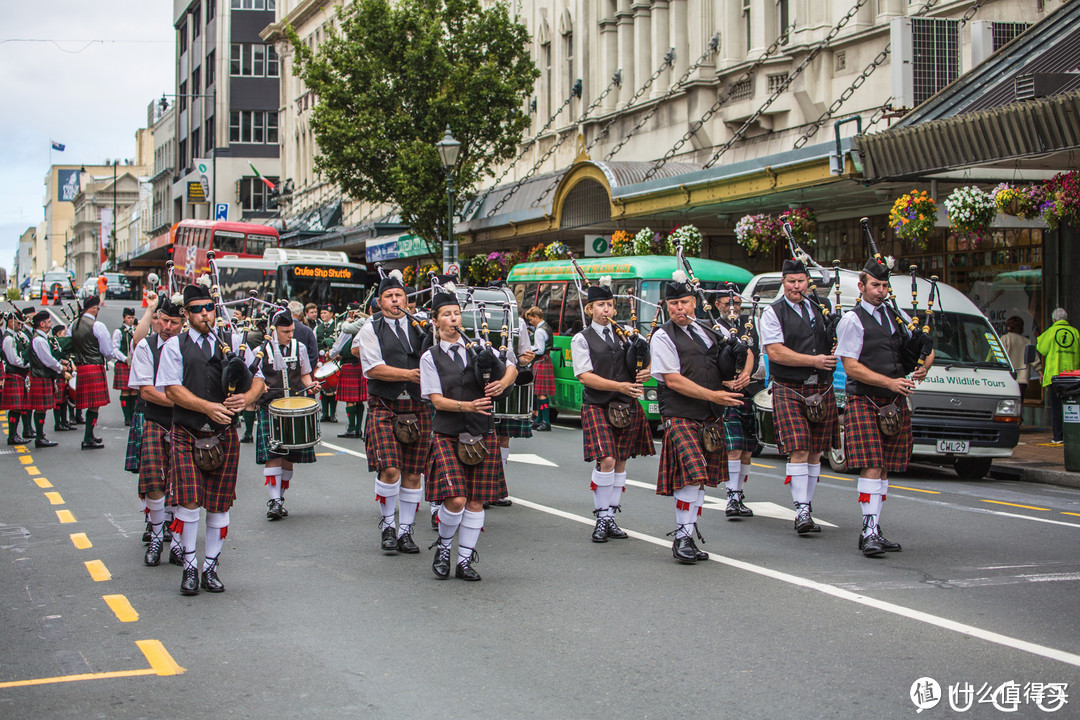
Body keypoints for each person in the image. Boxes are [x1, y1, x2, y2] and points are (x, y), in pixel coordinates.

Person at [158, 281, 266, 595]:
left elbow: (259, 380)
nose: (204, 314)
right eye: (197, 310)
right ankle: (189, 567)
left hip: (224, 434)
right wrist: (208, 407)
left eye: (209, 308)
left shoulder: (233, 341)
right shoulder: (174, 346)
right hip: (188, 432)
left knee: (219, 506)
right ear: (186, 313)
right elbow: (172, 389)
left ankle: (211, 567)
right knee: (189, 501)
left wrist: (244, 399)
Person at [836, 259, 935, 557]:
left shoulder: (896, 316)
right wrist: (890, 383)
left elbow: (925, 347)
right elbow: (850, 366)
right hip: (865, 399)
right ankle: (867, 532)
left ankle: (874, 528)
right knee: (872, 464)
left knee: (885, 467)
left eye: (884, 286)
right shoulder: (851, 320)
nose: (881, 291)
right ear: (862, 286)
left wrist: (923, 367)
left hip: (892, 403)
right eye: (875, 286)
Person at [421, 290, 517, 580]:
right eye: (447, 315)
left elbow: (512, 366)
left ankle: (464, 561)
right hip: (448, 433)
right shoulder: (430, 357)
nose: (453, 319)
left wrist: (503, 383)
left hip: (481, 432)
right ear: (436, 321)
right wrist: (467, 405)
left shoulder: (479, 350)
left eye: (456, 314)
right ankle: (445, 547)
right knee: (457, 499)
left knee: (475, 501)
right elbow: (436, 400)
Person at [651, 271, 743, 564]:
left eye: (685, 302)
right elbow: (672, 380)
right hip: (681, 414)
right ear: (668, 306)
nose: (679, 309)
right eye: (674, 303)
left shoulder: (707, 331)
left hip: (709, 417)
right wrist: (714, 395)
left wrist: (735, 378)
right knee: (692, 477)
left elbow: (725, 363)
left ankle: (688, 532)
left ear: (695, 303)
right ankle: (682, 536)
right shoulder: (663, 335)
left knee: (700, 479)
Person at [759, 258, 840, 534]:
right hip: (790, 386)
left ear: (808, 282)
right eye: (791, 281)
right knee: (800, 448)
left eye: (801, 281)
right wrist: (814, 361)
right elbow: (775, 352)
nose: (796, 286)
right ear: (784, 282)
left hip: (822, 387)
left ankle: (807, 503)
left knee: (816, 451)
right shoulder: (774, 312)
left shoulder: (821, 307)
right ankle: (801, 510)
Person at [571, 277, 654, 542]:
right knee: (606, 459)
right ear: (590, 309)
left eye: (609, 305)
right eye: (600, 305)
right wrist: (619, 386)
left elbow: (649, 365)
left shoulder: (630, 335)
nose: (605, 309)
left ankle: (611, 517)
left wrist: (646, 374)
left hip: (626, 405)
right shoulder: (581, 339)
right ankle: (601, 517)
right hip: (598, 404)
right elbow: (584, 376)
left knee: (620, 461)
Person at [357, 269, 432, 554]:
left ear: (406, 298)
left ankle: (405, 532)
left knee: (413, 473)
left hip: (417, 405)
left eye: (399, 295)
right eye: (388, 296)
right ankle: (388, 526)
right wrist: (409, 375)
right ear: (379, 302)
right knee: (389, 469)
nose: (394, 300)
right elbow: (373, 368)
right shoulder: (371, 328)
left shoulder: (421, 326)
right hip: (385, 405)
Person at [129, 293, 185, 567]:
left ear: (182, 322)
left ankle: (176, 543)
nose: (168, 327)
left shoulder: (188, 347)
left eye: (174, 322)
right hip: (156, 418)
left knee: (178, 483)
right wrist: (181, 403)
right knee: (153, 481)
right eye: (164, 320)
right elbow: (147, 391)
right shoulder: (145, 347)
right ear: (157, 319)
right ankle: (155, 537)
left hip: (183, 423)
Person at [257, 310, 320, 520]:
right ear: (274, 331)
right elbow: (254, 378)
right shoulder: (260, 350)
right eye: (286, 332)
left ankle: (280, 498)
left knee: (288, 458)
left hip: (293, 408)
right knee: (273, 455)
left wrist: (311, 386)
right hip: (270, 408)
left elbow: (304, 374)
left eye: (292, 331)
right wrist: (260, 387)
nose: (290, 335)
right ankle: (274, 501)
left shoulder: (298, 347)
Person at [714, 289, 760, 519]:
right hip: (726, 393)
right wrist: (725, 382)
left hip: (749, 393)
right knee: (733, 448)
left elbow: (756, 354)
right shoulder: (712, 328)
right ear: (717, 305)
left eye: (738, 304)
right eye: (727, 303)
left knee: (747, 450)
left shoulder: (750, 327)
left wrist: (748, 374)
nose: (733, 308)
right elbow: (709, 363)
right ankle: (731, 496)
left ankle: (739, 494)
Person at [70, 295, 126, 450]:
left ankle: (90, 435)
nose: (98, 311)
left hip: (81, 367)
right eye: (97, 308)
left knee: (87, 404)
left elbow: (68, 345)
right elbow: (107, 351)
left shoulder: (73, 325)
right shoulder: (97, 326)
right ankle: (88, 437)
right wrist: (106, 358)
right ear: (93, 308)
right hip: (94, 366)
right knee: (94, 406)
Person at [1037, 308, 1080, 445]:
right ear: (1066, 319)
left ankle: (1058, 436)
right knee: (1072, 406)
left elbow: (1041, 349)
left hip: (1055, 375)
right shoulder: (1075, 332)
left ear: (1054, 320)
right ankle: (1073, 434)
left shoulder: (1050, 332)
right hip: (1072, 375)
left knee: (1056, 407)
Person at [26, 311, 68, 448]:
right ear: (42, 324)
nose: (51, 324)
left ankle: (40, 435)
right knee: (40, 409)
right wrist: (60, 368)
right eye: (49, 322)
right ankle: (39, 437)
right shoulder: (39, 339)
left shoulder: (42, 337)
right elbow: (47, 360)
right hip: (41, 376)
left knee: (42, 409)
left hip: (42, 376)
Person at [335, 302, 369, 438]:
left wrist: (347, 321)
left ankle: (352, 428)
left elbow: (346, 330)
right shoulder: (365, 321)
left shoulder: (358, 323)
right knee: (359, 399)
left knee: (350, 399)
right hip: (360, 365)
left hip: (350, 364)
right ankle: (358, 429)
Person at [2, 311, 32, 445]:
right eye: (18, 322)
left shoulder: (18, 336)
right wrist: (28, 364)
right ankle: (12, 435)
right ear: (10, 322)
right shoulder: (9, 338)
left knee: (18, 407)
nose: (20, 325)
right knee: (15, 408)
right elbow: (13, 359)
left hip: (20, 375)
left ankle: (15, 434)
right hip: (14, 373)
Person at [524, 306, 555, 431]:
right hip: (545, 361)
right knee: (538, 393)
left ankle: (545, 422)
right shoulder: (545, 327)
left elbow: (539, 349)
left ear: (536, 317)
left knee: (541, 394)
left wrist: (527, 349)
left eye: (531, 319)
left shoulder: (539, 331)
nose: (530, 322)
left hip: (541, 361)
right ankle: (538, 420)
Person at [239, 316, 268, 443]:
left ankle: (248, 433)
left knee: (250, 403)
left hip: (253, 369)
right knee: (252, 402)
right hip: (262, 368)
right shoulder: (264, 336)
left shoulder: (250, 334)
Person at [112, 307, 138, 426]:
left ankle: (133, 415)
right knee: (125, 391)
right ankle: (126, 417)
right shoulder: (118, 332)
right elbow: (114, 349)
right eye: (128, 318)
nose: (131, 320)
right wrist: (125, 359)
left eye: (132, 318)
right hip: (124, 364)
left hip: (135, 363)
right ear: (123, 318)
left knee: (134, 391)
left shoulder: (136, 330)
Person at [315, 304, 339, 423]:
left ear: (331, 314)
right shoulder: (317, 327)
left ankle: (332, 414)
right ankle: (324, 413)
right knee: (323, 387)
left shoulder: (337, 326)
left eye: (325, 313)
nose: (323, 315)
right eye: (321, 313)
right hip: (321, 360)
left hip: (332, 359)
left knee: (334, 388)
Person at [1000, 316, 1030, 403]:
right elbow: (1034, 359)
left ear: (1009, 327)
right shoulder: (1027, 341)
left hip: (1007, 377)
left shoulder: (1005, 339)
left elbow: (997, 356)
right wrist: (1040, 372)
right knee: (1019, 405)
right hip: (1022, 379)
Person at [289, 300, 319, 369]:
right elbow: (314, 355)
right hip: (303, 369)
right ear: (301, 313)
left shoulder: (280, 329)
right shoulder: (307, 330)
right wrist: (307, 371)